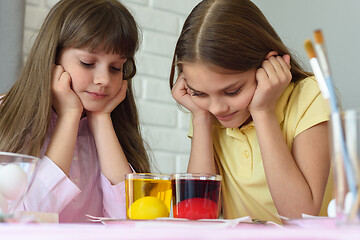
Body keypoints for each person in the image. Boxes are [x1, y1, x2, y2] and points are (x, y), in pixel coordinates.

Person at [170, 0, 333, 224]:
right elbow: (197, 217)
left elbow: (301, 217)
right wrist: (200, 118)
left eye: (233, 91)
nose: (217, 107)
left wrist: (263, 111)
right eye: (200, 93)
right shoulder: (207, 112)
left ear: (267, 66)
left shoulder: (309, 95)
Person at [0, 0, 151, 223]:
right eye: (87, 62)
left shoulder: (114, 128)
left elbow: (132, 222)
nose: (104, 80)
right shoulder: (7, 114)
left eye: (115, 68)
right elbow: (23, 221)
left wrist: (101, 120)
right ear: (53, 58)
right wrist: (69, 117)